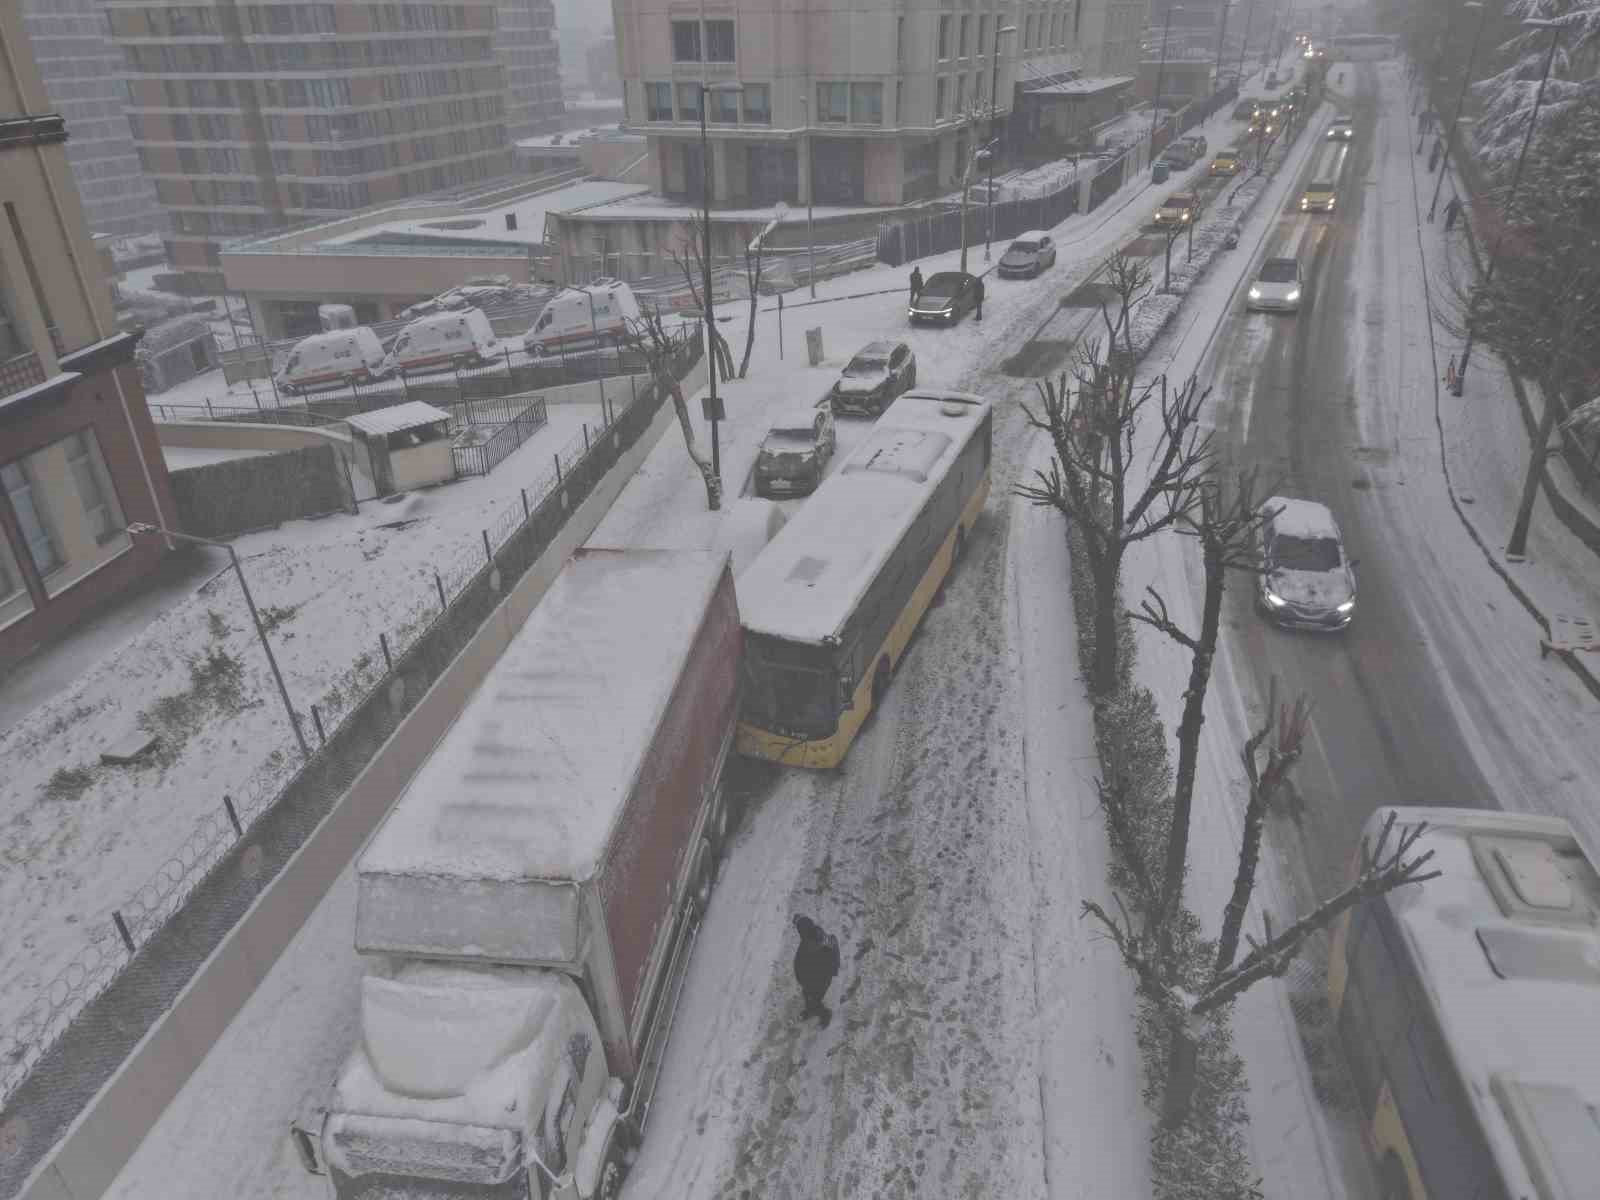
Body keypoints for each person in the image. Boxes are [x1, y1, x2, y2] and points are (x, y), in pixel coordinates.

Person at [792, 915, 841, 1027]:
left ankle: (825, 1014)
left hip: (820, 978)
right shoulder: (810, 938)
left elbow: (832, 944)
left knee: (813, 998)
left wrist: (833, 969)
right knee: (808, 995)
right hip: (812, 977)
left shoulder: (818, 940)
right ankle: (811, 1010)